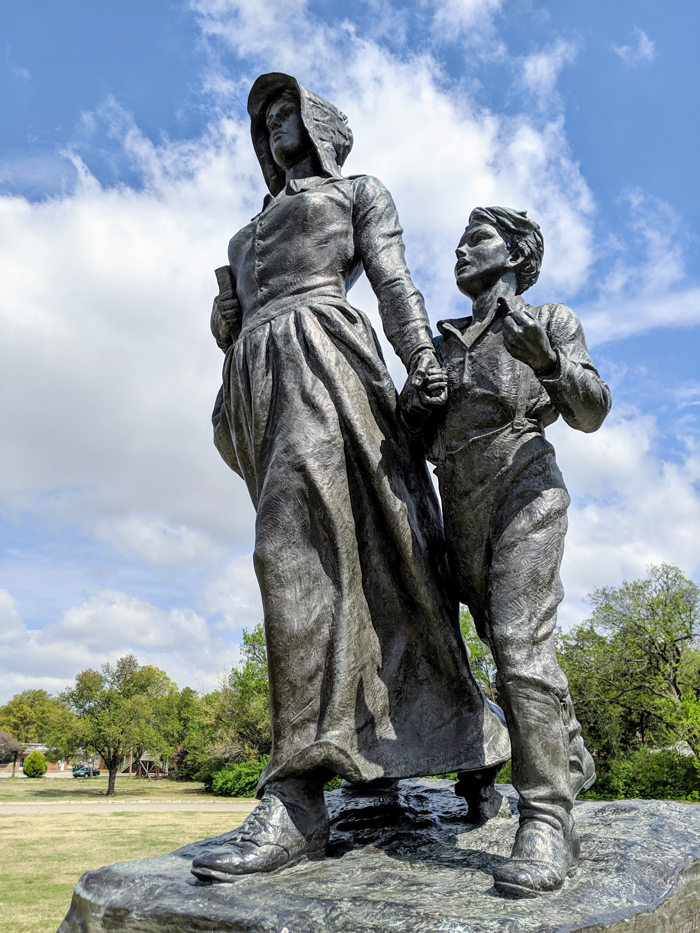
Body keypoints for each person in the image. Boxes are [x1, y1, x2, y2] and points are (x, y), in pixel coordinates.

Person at [191, 75, 510, 883]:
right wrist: (226, 330)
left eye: (287, 106)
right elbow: (233, 331)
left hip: (328, 358)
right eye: (263, 115)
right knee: (363, 566)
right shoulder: (242, 235)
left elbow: (395, 281)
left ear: (323, 122)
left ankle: (298, 793)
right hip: (257, 380)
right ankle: (462, 738)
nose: (272, 122)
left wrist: (424, 359)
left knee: (302, 553)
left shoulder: (359, 191)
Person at [400, 207, 611, 897]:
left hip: (526, 485)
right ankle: (569, 752)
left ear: (518, 253)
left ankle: (546, 819)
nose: (461, 248)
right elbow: (410, 442)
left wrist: (546, 360)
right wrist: (416, 403)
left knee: (521, 645)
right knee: (500, 645)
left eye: (478, 238)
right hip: (458, 502)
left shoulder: (550, 318)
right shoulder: (444, 340)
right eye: (460, 239)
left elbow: (592, 410)